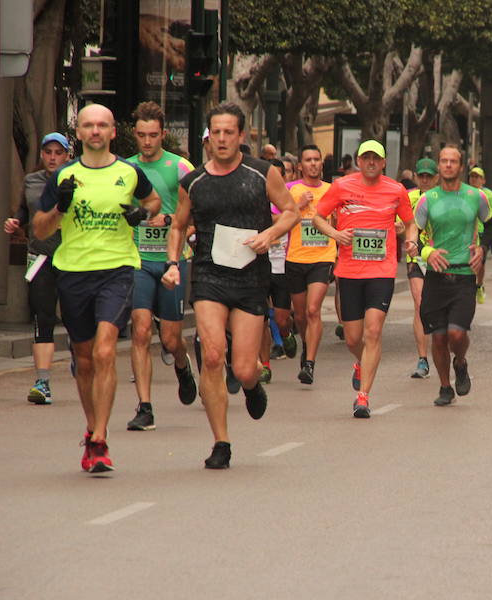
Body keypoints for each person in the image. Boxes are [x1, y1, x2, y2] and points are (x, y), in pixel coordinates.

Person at [162, 102, 299, 469]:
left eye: (229, 133)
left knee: (243, 368)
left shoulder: (262, 173)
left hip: (251, 278)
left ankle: (253, 385)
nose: (222, 139)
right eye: (216, 133)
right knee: (211, 355)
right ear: (209, 138)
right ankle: (221, 442)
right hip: (209, 276)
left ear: (241, 136)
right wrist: (173, 263)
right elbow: (178, 225)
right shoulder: (193, 182)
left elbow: (291, 211)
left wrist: (269, 234)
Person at [33, 104, 161, 473]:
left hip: (117, 269)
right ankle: (91, 426)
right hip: (73, 272)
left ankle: (100, 437)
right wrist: (60, 206)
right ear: (80, 132)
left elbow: (152, 200)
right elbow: (40, 229)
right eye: (88, 125)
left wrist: (143, 214)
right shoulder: (65, 176)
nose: (95, 131)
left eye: (102, 125)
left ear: (111, 132)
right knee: (84, 358)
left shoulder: (129, 172)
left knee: (106, 350)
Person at [312, 140, 417, 418]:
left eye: (376, 158)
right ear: (359, 161)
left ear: (384, 163)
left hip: (381, 271)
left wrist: (412, 241)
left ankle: (363, 397)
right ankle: (360, 361)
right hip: (348, 271)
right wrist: (335, 235)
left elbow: (410, 223)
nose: (371, 162)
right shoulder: (342, 187)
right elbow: (318, 218)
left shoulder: (396, 191)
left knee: (373, 331)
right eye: (366, 157)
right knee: (352, 338)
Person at [125, 101, 198, 431]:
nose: (147, 141)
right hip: (137, 260)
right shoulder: (125, 169)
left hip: (173, 262)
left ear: (163, 134)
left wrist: (170, 219)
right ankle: (145, 407)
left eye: (153, 135)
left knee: (170, 339)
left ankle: (182, 366)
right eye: (141, 135)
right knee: (140, 331)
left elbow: (198, 211)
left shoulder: (181, 167)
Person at [409, 146, 488, 406]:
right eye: (444, 161)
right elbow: (413, 235)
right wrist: (426, 250)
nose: (448, 165)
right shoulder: (427, 199)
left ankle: (461, 362)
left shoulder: (476, 196)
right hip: (436, 277)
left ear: (461, 166)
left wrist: (482, 247)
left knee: (456, 334)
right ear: (439, 166)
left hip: (464, 276)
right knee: (439, 337)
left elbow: (489, 227)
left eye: (453, 161)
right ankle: (445, 387)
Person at [3, 133, 71, 404]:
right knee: (43, 317)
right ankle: (42, 381)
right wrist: (15, 222)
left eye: (58, 152)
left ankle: (81, 359)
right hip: (41, 257)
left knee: (77, 316)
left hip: (72, 258)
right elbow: (23, 211)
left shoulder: (75, 179)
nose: (53, 157)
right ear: (42, 155)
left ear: (67, 155)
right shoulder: (31, 181)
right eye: (48, 152)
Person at [285, 144, 337, 385]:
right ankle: (307, 344)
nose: (313, 163)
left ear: (321, 164)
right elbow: (277, 220)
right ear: (300, 166)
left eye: (317, 159)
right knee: (300, 315)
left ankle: (310, 364)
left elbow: (339, 220)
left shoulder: (331, 190)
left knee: (314, 310)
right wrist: (298, 207)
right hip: (295, 257)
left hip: (322, 257)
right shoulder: (290, 190)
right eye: (308, 160)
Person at [404, 157, 437, 379]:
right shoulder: (408, 197)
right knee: (420, 304)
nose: (424, 179)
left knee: (438, 308)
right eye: (421, 175)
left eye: (428, 176)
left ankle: (444, 351)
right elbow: (402, 224)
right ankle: (423, 359)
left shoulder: (443, 198)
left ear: (436, 178)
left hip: (440, 258)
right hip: (416, 258)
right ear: (415, 177)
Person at [467, 166, 492, 303]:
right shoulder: (465, 192)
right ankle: (469, 287)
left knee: (480, 262)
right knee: (469, 262)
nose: (474, 179)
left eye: (477, 177)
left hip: (483, 232)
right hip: (468, 234)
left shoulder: (488, 195)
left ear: (483, 180)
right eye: (472, 176)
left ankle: (479, 284)